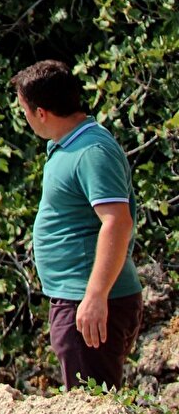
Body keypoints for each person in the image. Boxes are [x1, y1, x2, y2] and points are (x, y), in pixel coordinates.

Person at [12, 59, 143, 390]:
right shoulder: (68, 144)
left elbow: (117, 221)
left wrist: (95, 296)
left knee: (93, 407)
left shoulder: (92, 151)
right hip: (76, 298)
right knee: (89, 400)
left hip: (90, 302)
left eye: (24, 110)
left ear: (41, 113)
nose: (25, 118)